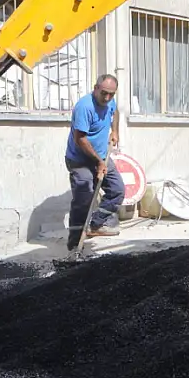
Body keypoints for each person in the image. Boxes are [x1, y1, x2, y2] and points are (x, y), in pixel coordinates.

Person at [65, 73, 125, 254]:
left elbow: (115, 112)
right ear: (95, 88)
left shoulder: (109, 102)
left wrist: (114, 131)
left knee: (117, 190)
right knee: (84, 197)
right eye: (104, 93)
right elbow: (80, 139)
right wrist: (99, 162)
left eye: (111, 95)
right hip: (80, 159)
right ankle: (75, 243)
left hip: (100, 156)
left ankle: (95, 223)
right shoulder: (84, 107)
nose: (107, 98)